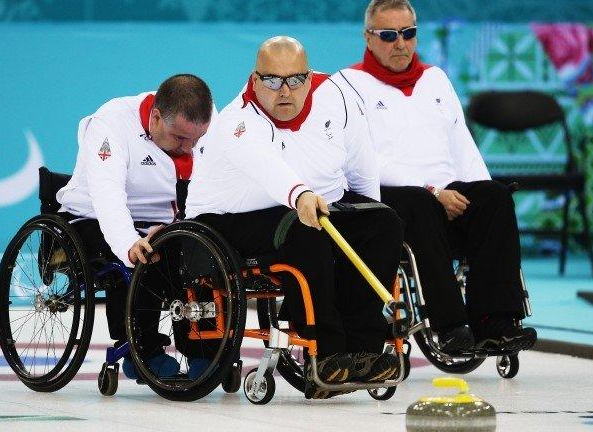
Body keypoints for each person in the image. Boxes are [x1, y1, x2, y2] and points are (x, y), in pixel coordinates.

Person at [187, 36, 403, 399]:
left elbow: (362, 164)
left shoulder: (336, 96)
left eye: (294, 79)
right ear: (255, 80)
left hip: (310, 207)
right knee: (306, 231)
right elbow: (267, 167)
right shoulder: (237, 122)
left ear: (308, 76)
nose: (284, 91)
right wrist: (299, 195)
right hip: (228, 220)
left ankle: (364, 348)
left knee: (383, 223)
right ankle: (329, 352)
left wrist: (369, 211)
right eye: (272, 80)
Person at [332, 0, 536, 353]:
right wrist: (433, 190)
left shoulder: (435, 79)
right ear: (368, 38)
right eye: (389, 35)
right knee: (419, 202)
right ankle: (450, 324)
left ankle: (494, 321)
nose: (401, 43)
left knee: (495, 196)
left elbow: (463, 146)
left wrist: (482, 191)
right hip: (390, 195)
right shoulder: (347, 85)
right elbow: (360, 160)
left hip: (445, 194)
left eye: (408, 33)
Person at [56, 74, 215, 378]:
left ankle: (203, 347)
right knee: (147, 255)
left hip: (169, 221)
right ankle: (141, 351)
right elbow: (108, 196)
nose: (189, 148)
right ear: (156, 117)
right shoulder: (111, 124)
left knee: (203, 252)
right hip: (91, 218)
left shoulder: (202, 120)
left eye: (196, 140)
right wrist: (130, 243)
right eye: (181, 139)